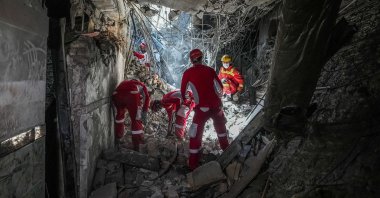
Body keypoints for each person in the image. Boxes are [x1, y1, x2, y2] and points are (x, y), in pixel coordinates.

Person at [181, 49, 230, 170]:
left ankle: (193, 164)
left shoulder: (188, 73)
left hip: (202, 109)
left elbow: (183, 92)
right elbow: (220, 88)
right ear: (202, 58)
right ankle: (229, 154)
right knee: (221, 131)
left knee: (195, 134)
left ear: (191, 60)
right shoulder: (210, 70)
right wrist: (217, 100)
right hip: (216, 107)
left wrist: (190, 101)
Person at [112, 79, 150, 151]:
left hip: (116, 94)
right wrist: (144, 111)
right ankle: (137, 145)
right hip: (131, 93)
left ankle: (119, 136)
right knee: (136, 119)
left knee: (120, 115)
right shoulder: (141, 85)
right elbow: (147, 97)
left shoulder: (125, 82)